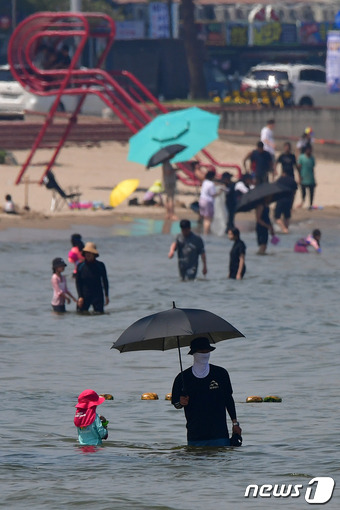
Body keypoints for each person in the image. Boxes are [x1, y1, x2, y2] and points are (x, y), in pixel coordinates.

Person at [171, 337, 242, 447]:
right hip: (195, 435)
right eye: (201, 351)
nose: (205, 354)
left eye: (207, 351)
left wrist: (235, 423)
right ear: (193, 353)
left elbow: (229, 399)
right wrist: (181, 402)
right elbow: (176, 403)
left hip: (219, 434)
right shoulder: (183, 377)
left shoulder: (221, 373)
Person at [76, 242, 109, 313]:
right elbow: (78, 282)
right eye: (86, 253)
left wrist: (106, 295)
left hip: (98, 295)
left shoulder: (100, 265)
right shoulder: (80, 266)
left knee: (99, 314)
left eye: (89, 253)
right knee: (80, 314)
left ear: (94, 254)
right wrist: (80, 296)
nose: (87, 254)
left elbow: (105, 280)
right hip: (84, 295)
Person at [199, 170, 221, 234]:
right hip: (208, 202)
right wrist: (220, 192)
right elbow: (213, 194)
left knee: (205, 218)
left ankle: (206, 231)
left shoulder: (205, 182)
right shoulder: (211, 184)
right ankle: (206, 233)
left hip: (201, 200)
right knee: (208, 219)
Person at [297, 144, 316, 209]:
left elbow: (313, 169)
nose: (309, 151)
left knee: (311, 192)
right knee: (303, 191)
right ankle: (302, 202)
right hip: (303, 177)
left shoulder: (312, 158)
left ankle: (310, 204)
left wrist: (314, 178)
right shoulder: (301, 157)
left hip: (311, 178)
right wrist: (299, 177)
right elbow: (298, 167)